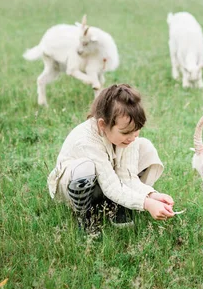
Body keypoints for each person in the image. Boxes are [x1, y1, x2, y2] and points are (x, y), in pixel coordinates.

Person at [47, 84, 175, 232]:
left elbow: (127, 177)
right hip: (73, 187)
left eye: (137, 130)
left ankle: (118, 205)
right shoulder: (86, 140)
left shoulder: (129, 137)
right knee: (85, 167)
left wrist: (152, 195)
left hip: (106, 181)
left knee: (145, 146)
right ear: (102, 124)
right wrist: (147, 204)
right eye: (126, 132)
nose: (132, 137)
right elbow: (110, 185)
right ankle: (85, 216)